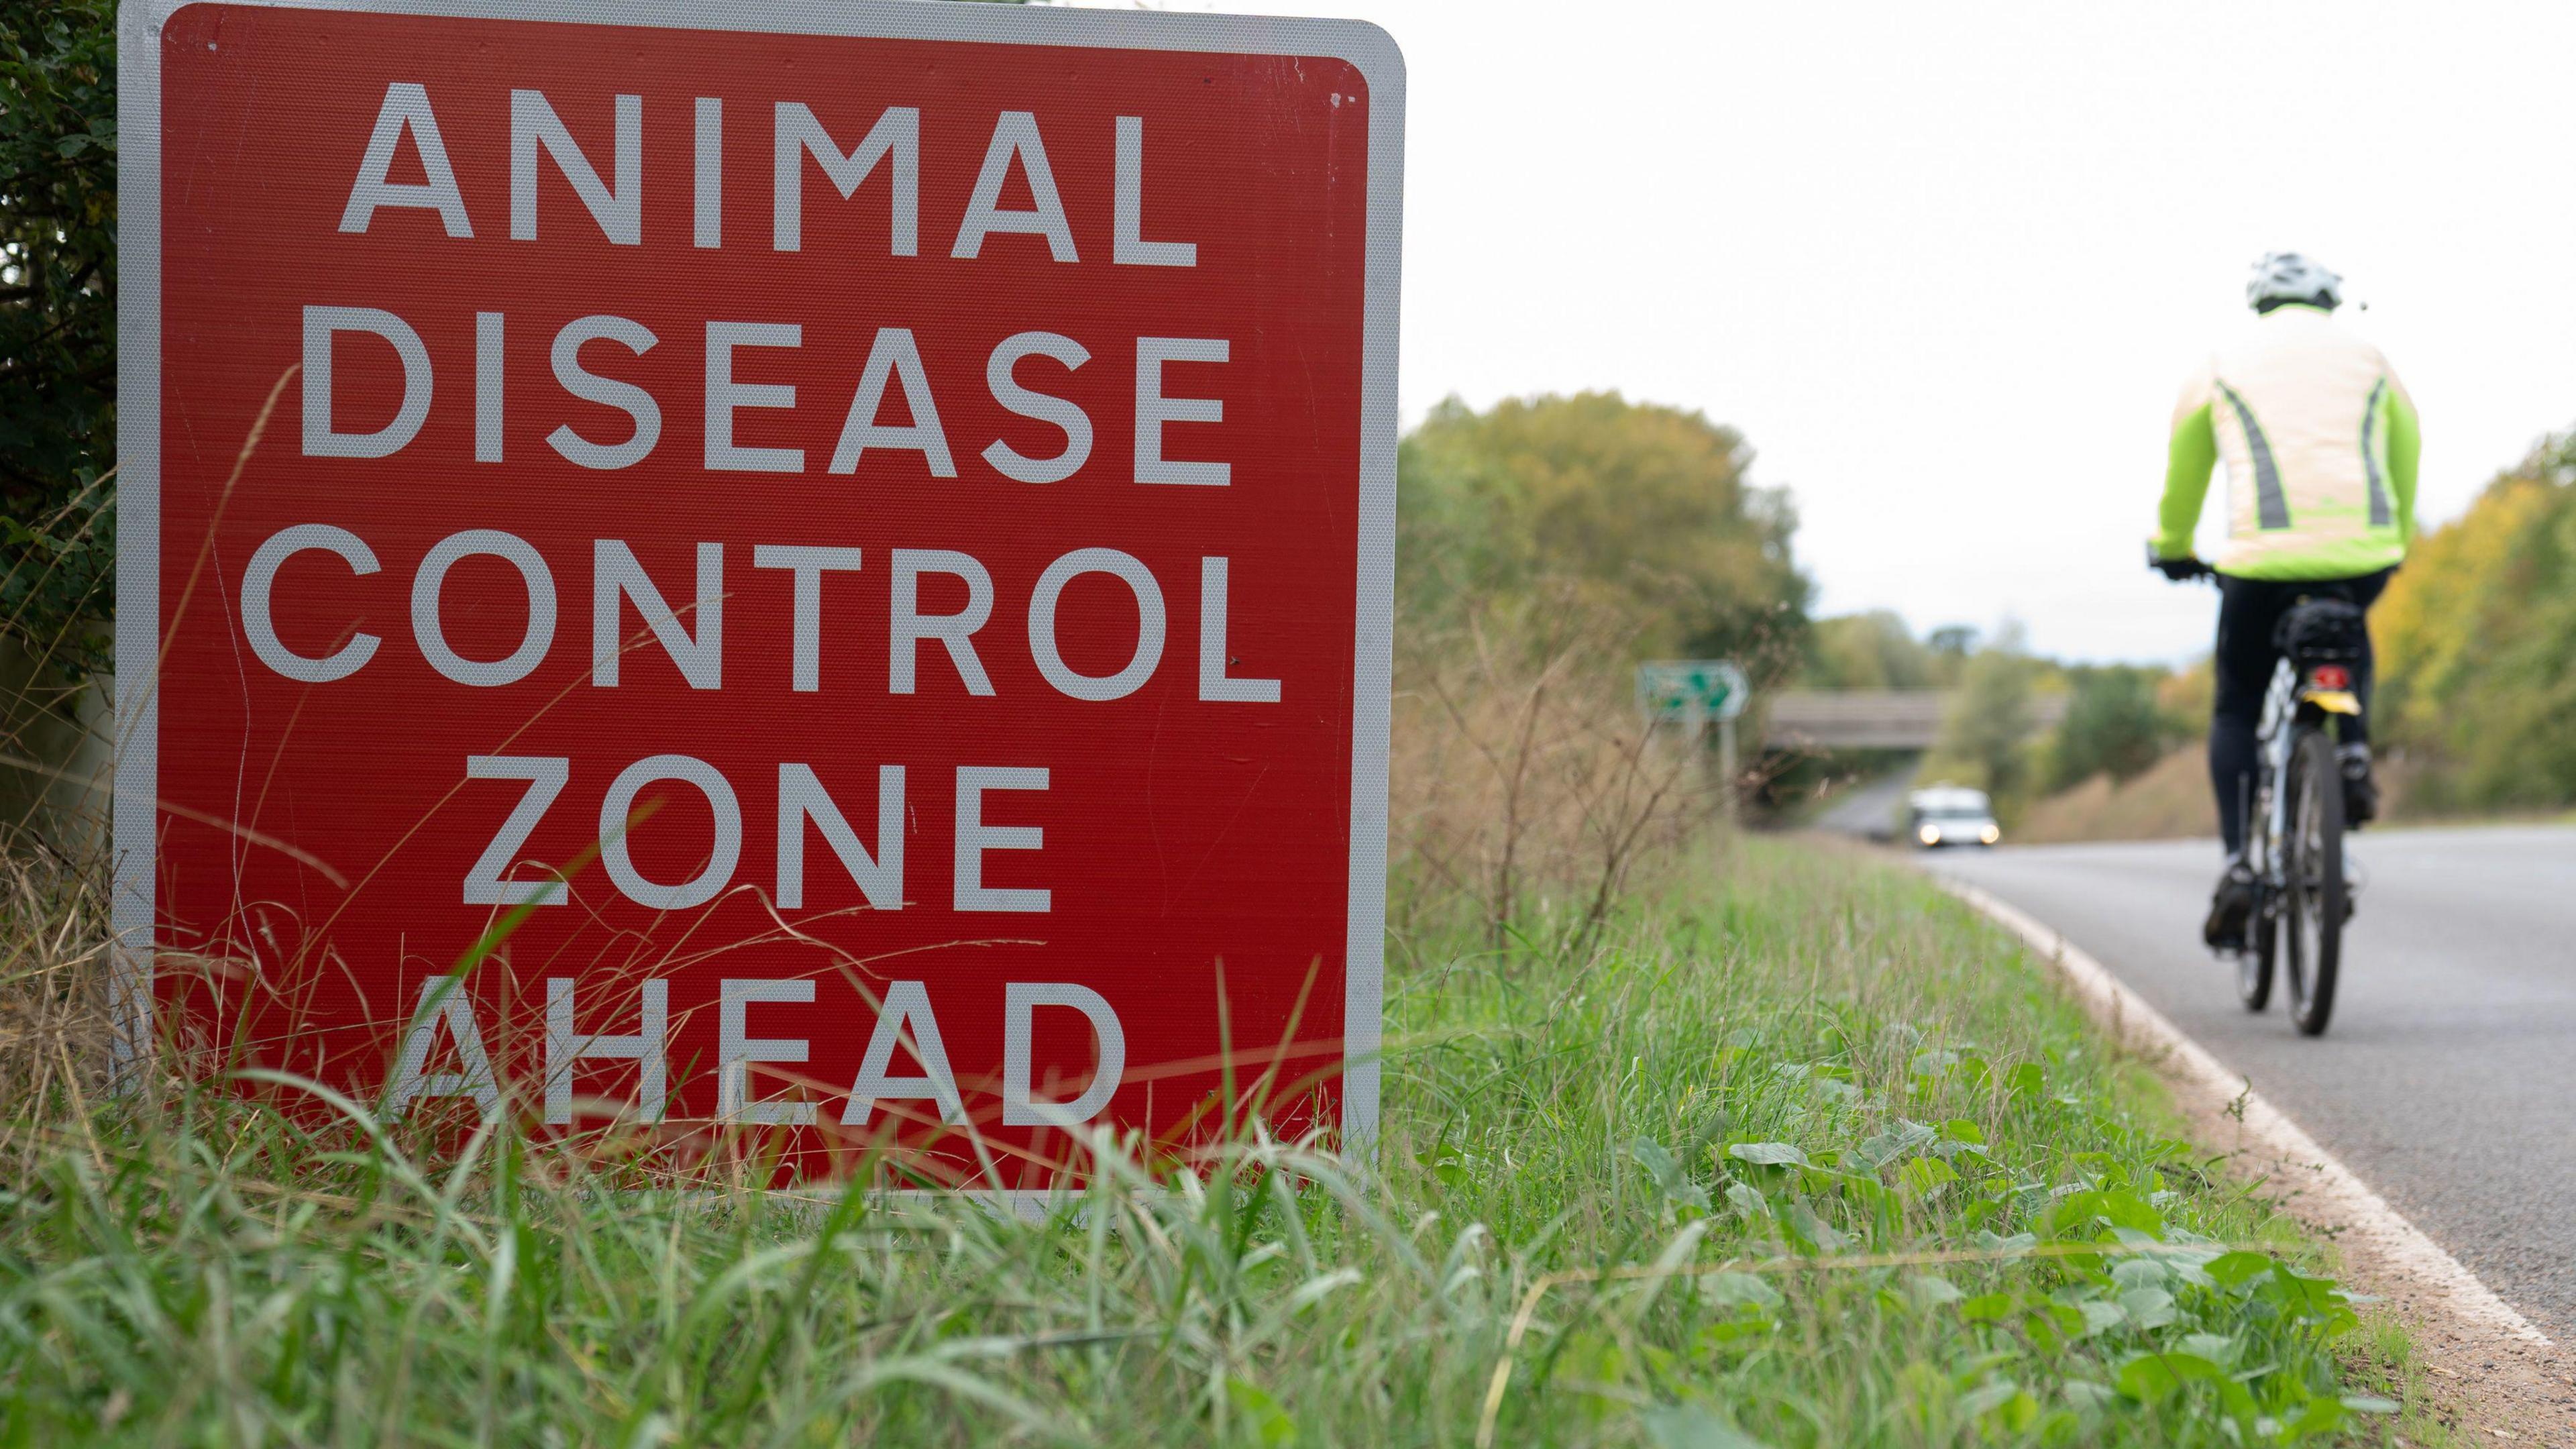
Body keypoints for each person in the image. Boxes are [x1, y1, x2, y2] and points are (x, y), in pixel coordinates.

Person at [2149, 252, 2418, 951]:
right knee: (2347, 631)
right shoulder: (2370, 358)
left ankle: (2241, 861)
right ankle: (2352, 752)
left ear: (2260, 302)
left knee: (2238, 704)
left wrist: (2173, 544)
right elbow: (2407, 447)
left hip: (2261, 564)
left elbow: (2187, 462)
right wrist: (2394, 536)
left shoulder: (2222, 361)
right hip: (2362, 552)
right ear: (2329, 301)